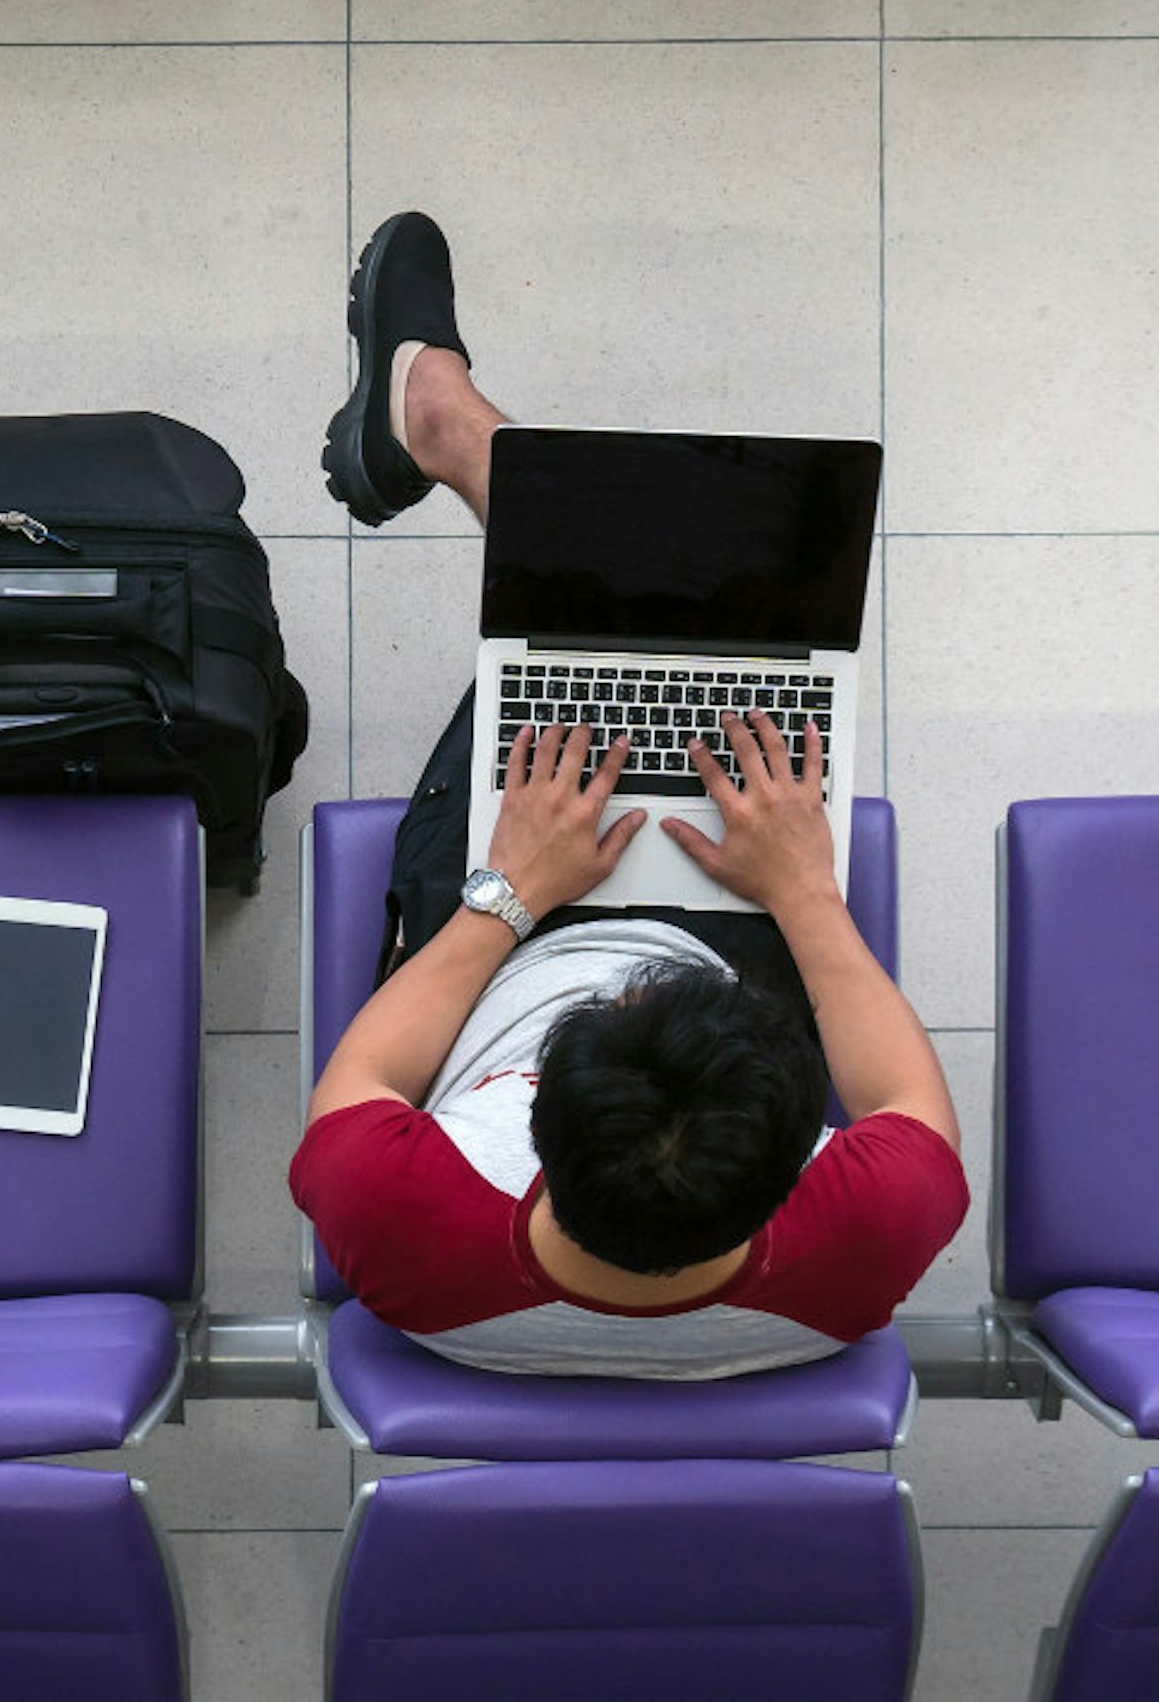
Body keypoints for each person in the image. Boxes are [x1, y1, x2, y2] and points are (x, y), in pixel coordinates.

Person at [286, 212, 968, 1380]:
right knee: (717, 655)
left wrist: (511, 893)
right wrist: (801, 894)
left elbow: (362, 1080)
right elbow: (905, 1092)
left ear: (533, 1120)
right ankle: (455, 436)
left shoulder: (416, 1229)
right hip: (741, 935)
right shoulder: (854, 1250)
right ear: (794, 1170)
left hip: (499, 939)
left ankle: (450, 433)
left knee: (603, 627)